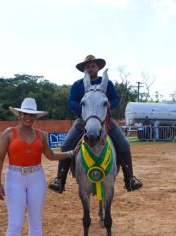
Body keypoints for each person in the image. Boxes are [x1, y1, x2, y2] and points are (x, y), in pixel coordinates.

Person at [48, 55, 142, 193]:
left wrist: (110, 105)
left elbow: (115, 98)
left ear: (98, 68)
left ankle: (130, 179)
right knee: (67, 144)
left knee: (124, 144)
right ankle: (60, 179)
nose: (90, 68)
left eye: (93, 66)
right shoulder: (77, 85)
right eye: (88, 66)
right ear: (84, 69)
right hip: (83, 119)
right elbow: (71, 102)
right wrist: (86, 110)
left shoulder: (107, 83)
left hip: (105, 119)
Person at [0, 97, 75, 236]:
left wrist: (71, 153)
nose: (28, 117)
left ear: (36, 116)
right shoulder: (8, 133)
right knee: (15, 223)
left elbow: (50, 156)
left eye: (32, 114)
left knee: (36, 223)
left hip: (37, 179)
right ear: (19, 115)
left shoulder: (41, 135)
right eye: (25, 114)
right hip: (14, 179)